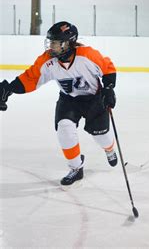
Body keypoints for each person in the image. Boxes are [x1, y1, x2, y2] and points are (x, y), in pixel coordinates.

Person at [0, 21, 118, 187]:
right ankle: (76, 167)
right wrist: (9, 89)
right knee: (64, 129)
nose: (51, 46)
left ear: (68, 43)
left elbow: (107, 67)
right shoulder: (47, 60)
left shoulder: (87, 55)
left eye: (55, 42)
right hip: (69, 100)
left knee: (101, 137)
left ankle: (109, 149)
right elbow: (30, 78)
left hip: (94, 99)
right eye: (51, 42)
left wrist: (109, 88)